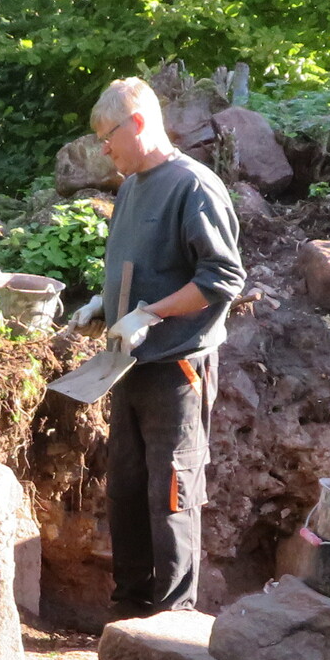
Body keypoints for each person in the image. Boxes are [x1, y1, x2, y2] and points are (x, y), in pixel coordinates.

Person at [63, 77, 246, 618]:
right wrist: (103, 305)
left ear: (139, 122)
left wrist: (150, 314)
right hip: (128, 367)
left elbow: (222, 278)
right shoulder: (131, 190)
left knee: (171, 494)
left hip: (177, 368)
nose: (104, 149)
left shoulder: (194, 185)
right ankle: (128, 614)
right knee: (125, 490)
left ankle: (171, 621)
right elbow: (138, 267)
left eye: (108, 136)